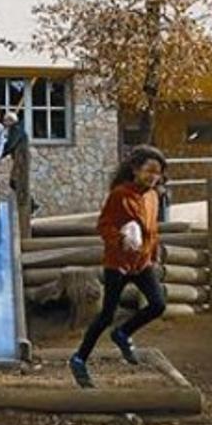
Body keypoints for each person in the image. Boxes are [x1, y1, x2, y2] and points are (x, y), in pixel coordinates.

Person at [69, 145, 168, 389]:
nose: (153, 177)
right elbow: (103, 225)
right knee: (106, 315)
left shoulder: (154, 196)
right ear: (135, 170)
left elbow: (152, 229)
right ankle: (79, 359)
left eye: (158, 173)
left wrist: (153, 254)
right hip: (118, 264)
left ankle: (122, 334)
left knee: (157, 304)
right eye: (148, 171)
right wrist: (119, 239)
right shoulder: (120, 195)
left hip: (142, 263)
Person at [0, 111, 39, 215]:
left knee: (18, 182)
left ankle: (30, 203)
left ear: (10, 121)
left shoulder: (16, 129)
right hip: (18, 159)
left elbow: (10, 145)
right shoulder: (15, 129)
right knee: (14, 183)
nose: (3, 122)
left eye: (5, 120)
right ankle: (31, 203)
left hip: (21, 159)